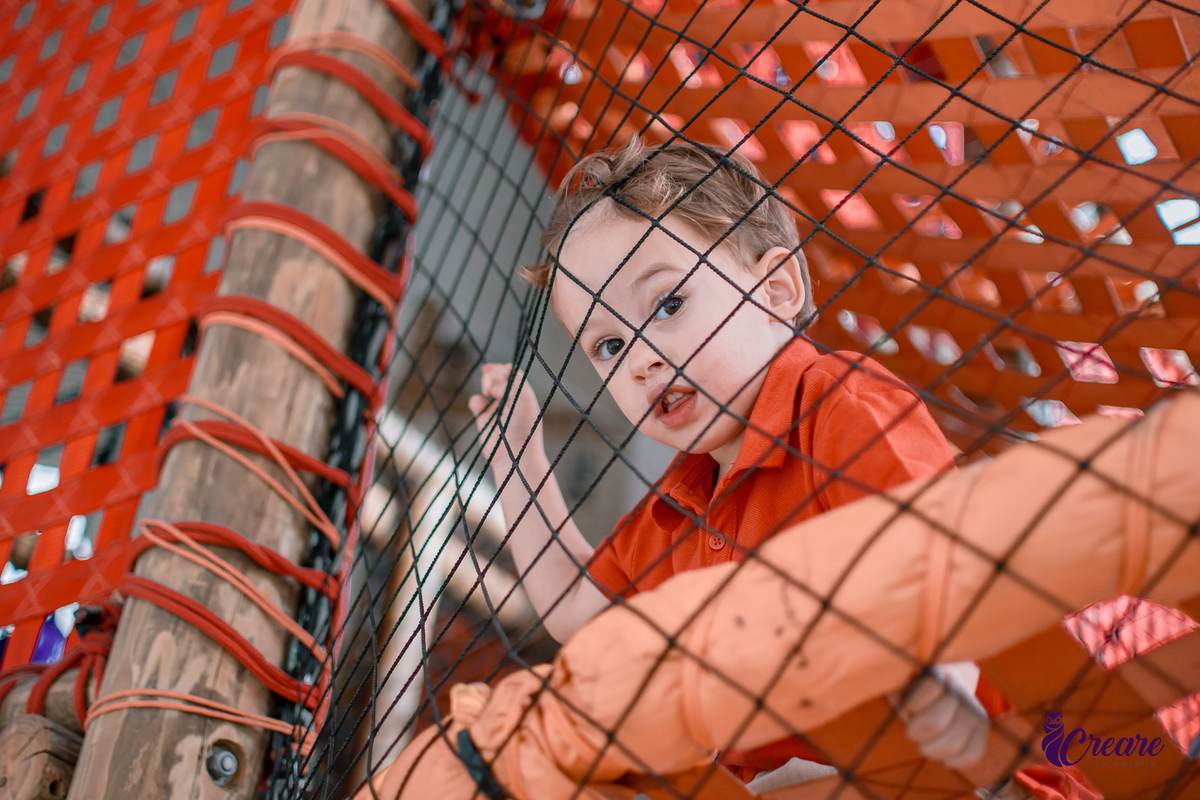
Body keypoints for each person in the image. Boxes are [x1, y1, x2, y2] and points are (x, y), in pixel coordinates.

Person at [468, 138, 1034, 790]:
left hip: (980, 757)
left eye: (669, 305)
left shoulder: (837, 405)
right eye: (609, 343)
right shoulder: (679, 506)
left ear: (776, 289)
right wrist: (518, 457)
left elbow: (938, 557)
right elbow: (574, 605)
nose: (642, 358)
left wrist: (947, 689)